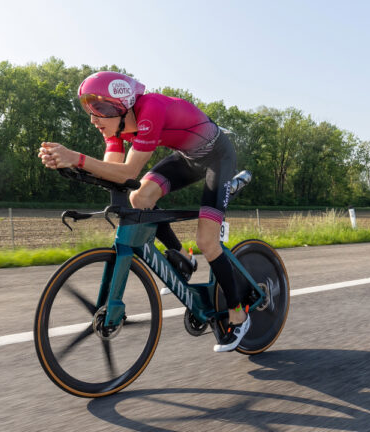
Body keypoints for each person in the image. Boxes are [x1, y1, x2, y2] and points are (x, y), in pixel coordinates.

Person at [38, 71, 249, 352]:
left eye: (99, 109)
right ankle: (183, 259)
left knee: (207, 242)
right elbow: (113, 174)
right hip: (187, 157)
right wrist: (67, 165)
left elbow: (128, 171)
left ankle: (239, 314)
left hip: (218, 158)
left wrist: (75, 157)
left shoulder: (150, 110)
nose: (93, 118)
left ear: (122, 106)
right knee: (140, 197)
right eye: (89, 110)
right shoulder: (116, 130)